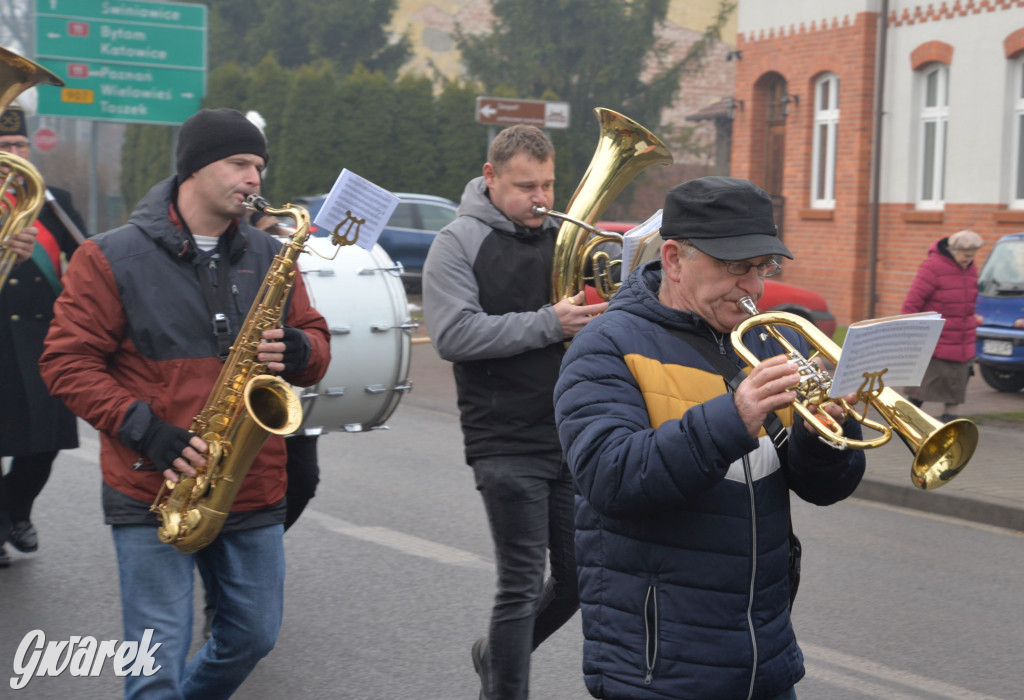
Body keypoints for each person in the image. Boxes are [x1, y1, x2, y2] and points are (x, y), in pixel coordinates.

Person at [38, 107, 330, 699]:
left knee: (252, 637)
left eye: (259, 166)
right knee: (155, 666)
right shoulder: (108, 256)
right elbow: (65, 363)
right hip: (151, 481)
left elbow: (317, 344)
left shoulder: (273, 255)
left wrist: (300, 348)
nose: (254, 179)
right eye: (239, 164)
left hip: (250, 482)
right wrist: (146, 430)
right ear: (195, 168)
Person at [553, 176, 867, 700]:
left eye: (761, 268)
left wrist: (825, 432)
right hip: (659, 668)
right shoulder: (605, 347)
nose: (754, 288)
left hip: (763, 654)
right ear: (674, 260)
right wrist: (733, 416)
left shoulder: (768, 339)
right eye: (735, 268)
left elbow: (823, 487)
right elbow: (610, 478)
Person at [422, 124, 607, 700]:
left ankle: (498, 656)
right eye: (526, 186)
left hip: (567, 435)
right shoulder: (456, 242)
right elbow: (453, 334)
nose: (542, 199)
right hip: (503, 438)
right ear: (491, 178)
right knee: (522, 585)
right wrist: (552, 322)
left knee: (580, 579)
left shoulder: (564, 239)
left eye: (549, 184)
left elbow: (587, 323)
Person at [0, 105, 87, 567]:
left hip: (41, 339)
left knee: (46, 441)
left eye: (20, 146)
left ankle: (16, 509)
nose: (16, 154)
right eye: (6, 147)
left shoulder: (53, 201)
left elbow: (89, 259)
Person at [901, 229, 984, 422]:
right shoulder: (932, 267)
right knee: (922, 386)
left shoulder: (970, 269)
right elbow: (912, 302)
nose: (968, 259)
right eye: (965, 255)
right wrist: (911, 332)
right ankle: (905, 418)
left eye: (972, 256)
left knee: (957, 385)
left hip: (962, 337)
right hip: (936, 339)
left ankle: (950, 423)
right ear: (953, 250)